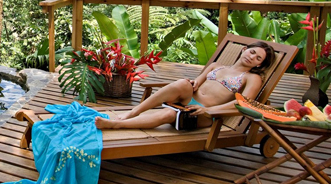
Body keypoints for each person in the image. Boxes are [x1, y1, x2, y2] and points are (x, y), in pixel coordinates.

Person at [94, 41, 275, 130]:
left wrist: (210, 111)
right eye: (252, 52)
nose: (252, 57)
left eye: (258, 58)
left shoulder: (251, 78)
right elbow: (197, 83)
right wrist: (194, 83)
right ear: (244, 50)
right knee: (183, 83)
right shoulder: (216, 66)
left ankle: (116, 125)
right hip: (189, 99)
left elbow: (243, 104)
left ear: (259, 64)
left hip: (204, 113)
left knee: (169, 113)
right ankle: (132, 112)